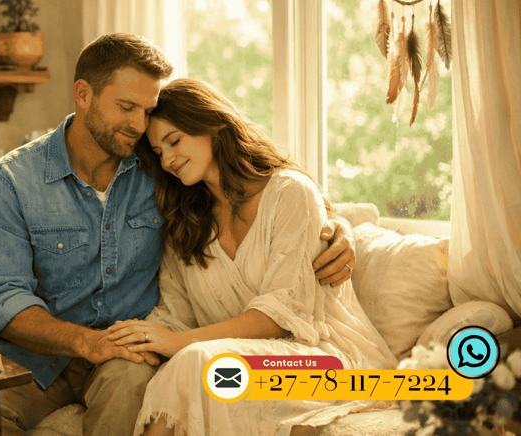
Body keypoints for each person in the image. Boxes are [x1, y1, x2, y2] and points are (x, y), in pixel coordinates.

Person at [0, 34, 355, 436]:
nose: (139, 124)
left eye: (147, 110)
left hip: (127, 358)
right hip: (36, 358)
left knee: (149, 382)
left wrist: (338, 224)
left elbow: (267, 187)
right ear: (82, 94)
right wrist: (87, 342)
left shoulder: (155, 167)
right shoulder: (10, 182)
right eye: (127, 107)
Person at [108, 78, 398, 436]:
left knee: (199, 363)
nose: (167, 159)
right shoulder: (186, 220)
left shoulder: (289, 194)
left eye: (174, 141)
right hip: (244, 362)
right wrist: (135, 336)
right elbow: (176, 314)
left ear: (213, 127)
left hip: (327, 364)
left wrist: (178, 342)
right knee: (192, 367)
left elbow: (280, 315)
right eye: (157, 151)